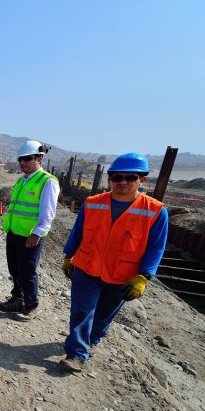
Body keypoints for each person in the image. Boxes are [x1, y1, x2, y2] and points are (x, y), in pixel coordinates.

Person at [59, 153, 168, 372]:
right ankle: (77, 354)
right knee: (82, 312)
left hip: (122, 275)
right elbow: (77, 233)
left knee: (104, 316)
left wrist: (144, 276)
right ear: (109, 179)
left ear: (142, 180)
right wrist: (68, 256)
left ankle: (93, 340)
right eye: (117, 177)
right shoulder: (92, 204)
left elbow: (156, 247)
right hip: (87, 268)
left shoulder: (155, 211)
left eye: (130, 177)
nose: (123, 182)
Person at [0, 140, 60, 321]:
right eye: (20, 160)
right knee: (14, 268)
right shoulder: (22, 180)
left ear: (39, 159)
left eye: (27, 159)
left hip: (30, 235)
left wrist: (37, 233)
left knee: (27, 270)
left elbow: (48, 212)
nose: (22, 163)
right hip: (15, 232)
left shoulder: (47, 181)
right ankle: (17, 298)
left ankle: (30, 304)